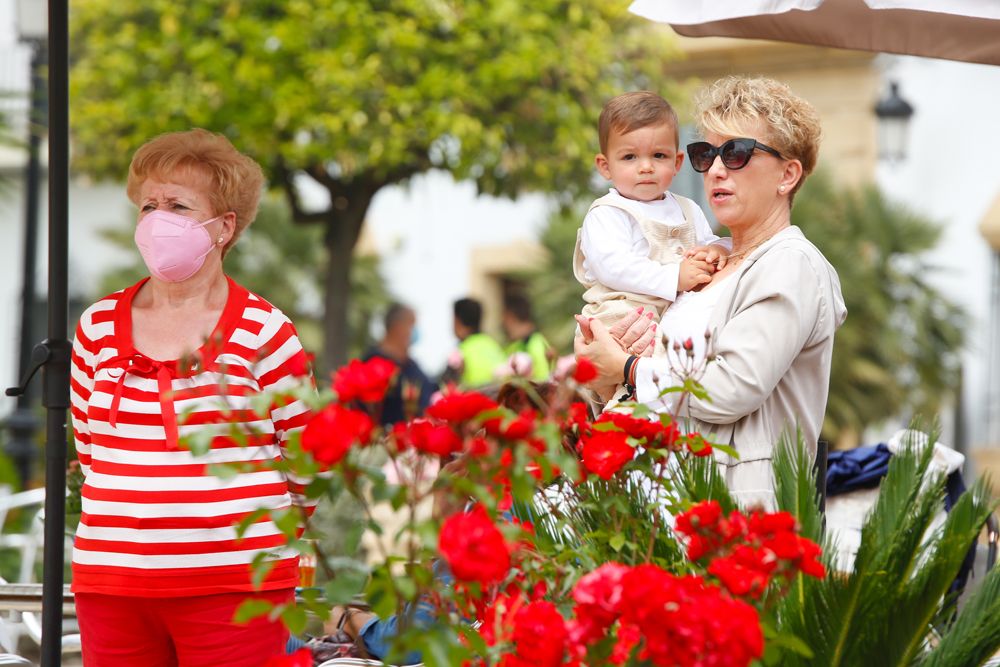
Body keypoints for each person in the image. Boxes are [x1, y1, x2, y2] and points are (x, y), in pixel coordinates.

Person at [69, 129, 315, 666]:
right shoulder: (94, 328)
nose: (159, 220)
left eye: (178, 206)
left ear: (224, 227)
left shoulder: (266, 332)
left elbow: (309, 461)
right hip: (113, 584)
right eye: (149, 205)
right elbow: (92, 453)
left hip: (237, 587)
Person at [576, 76, 847, 509]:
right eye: (707, 155)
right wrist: (602, 365)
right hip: (659, 505)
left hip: (736, 516)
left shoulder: (792, 263)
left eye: (737, 153)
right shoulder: (702, 260)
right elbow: (653, 381)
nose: (717, 169)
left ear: (788, 174)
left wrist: (628, 368)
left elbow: (730, 387)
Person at [573, 91, 732, 353]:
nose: (646, 167)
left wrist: (719, 249)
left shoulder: (687, 209)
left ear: (677, 161)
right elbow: (613, 267)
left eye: (659, 156)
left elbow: (708, 243)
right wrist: (675, 277)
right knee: (629, 369)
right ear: (605, 166)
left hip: (669, 315)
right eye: (629, 157)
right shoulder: (607, 213)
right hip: (619, 312)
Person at [363, 302, 436, 425]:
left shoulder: (412, 366)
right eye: (412, 324)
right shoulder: (373, 363)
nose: (415, 331)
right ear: (397, 327)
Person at [448, 297, 506, 388]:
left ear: (457, 322)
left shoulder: (462, 351)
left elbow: (450, 385)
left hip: (474, 398)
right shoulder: (493, 344)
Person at [501, 293, 554, 380]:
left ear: (509, 316)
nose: (502, 321)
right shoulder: (517, 345)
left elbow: (544, 384)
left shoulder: (537, 344)